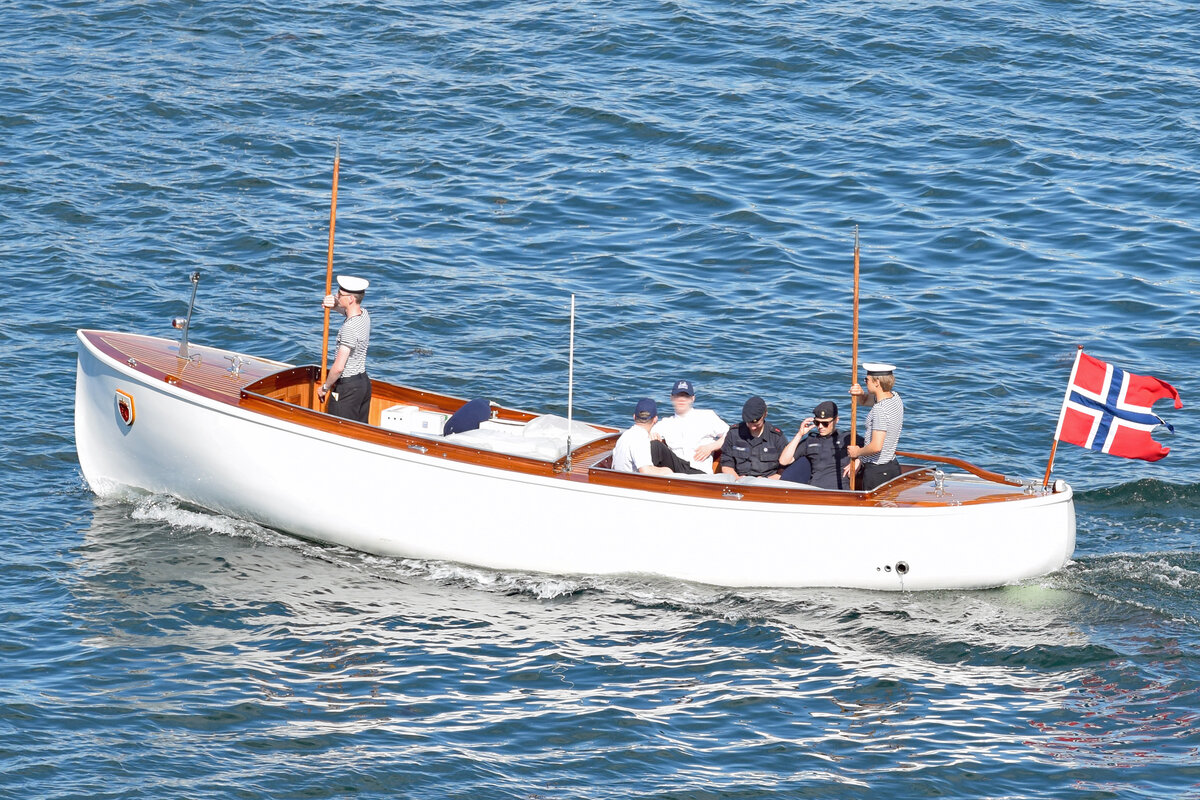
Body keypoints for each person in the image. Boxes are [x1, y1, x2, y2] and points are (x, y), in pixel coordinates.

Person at [317, 275, 371, 423]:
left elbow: (339, 367)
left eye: (340, 294)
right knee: (359, 429)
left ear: (351, 299)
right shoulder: (364, 315)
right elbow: (348, 312)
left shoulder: (349, 328)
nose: (337, 295)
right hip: (363, 384)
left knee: (339, 429)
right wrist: (334, 304)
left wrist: (325, 387)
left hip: (347, 388)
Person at [846, 362, 904, 490]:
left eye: (866, 380)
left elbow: (876, 446)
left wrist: (857, 452)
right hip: (892, 466)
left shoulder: (880, 410)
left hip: (877, 472)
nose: (865, 382)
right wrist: (860, 394)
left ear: (877, 382)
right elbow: (865, 401)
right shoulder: (895, 398)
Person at [779, 400, 863, 489]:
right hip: (815, 490)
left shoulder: (848, 438)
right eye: (817, 423)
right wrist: (799, 434)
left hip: (840, 490)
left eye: (825, 423)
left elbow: (874, 449)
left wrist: (860, 460)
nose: (820, 426)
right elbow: (784, 461)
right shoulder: (810, 441)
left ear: (836, 420)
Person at [651, 379, 729, 474]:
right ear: (671, 398)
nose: (682, 399)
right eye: (678, 395)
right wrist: (652, 436)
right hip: (676, 472)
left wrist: (711, 447)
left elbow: (730, 435)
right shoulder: (665, 423)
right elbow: (646, 436)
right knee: (653, 443)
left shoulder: (707, 416)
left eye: (686, 396)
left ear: (693, 398)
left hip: (700, 472)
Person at [612, 398, 696, 475]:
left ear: (634, 417)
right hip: (633, 484)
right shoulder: (640, 439)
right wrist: (667, 470)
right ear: (655, 419)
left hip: (622, 478)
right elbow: (646, 471)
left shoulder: (624, 436)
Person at [719, 396, 788, 479]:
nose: (752, 428)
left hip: (768, 484)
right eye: (749, 423)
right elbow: (726, 464)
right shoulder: (734, 433)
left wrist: (767, 481)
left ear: (765, 414)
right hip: (739, 482)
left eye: (757, 424)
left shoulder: (776, 437)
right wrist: (737, 480)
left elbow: (784, 470)